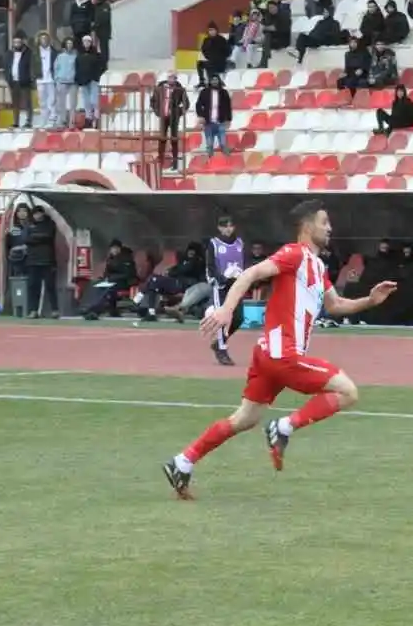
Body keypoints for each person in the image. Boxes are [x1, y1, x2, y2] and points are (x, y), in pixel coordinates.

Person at [166, 200, 397, 498]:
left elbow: (335, 304)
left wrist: (370, 300)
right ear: (307, 226)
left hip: (269, 355)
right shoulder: (294, 254)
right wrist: (225, 310)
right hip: (281, 353)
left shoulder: (317, 265)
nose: (330, 228)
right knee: (347, 392)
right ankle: (285, 427)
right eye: (324, 222)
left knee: (245, 419)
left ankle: (183, 462)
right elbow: (249, 274)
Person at [204, 215, 245, 365]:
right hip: (221, 286)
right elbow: (210, 266)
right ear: (219, 228)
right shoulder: (214, 244)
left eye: (230, 226)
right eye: (225, 226)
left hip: (236, 285)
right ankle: (222, 350)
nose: (228, 229)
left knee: (239, 317)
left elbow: (244, 263)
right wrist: (219, 278)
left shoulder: (240, 243)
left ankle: (219, 342)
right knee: (222, 318)